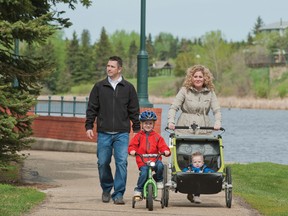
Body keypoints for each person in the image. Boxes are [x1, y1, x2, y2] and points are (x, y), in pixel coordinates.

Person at [85, 56, 140, 205]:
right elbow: (92, 108)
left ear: (119, 69)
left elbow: (134, 109)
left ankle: (118, 194)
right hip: (104, 132)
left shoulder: (128, 88)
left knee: (122, 163)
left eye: (112, 66)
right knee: (103, 162)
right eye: (107, 66)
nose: (109, 68)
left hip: (122, 133)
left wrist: (136, 128)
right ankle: (106, 188)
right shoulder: (99, 87)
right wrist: (89, 126)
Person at [167, 64, 221, 134]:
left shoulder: (210, 92)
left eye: (200, 77)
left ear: (205, 78)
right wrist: (171, 122)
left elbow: (216, 110)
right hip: (184, 130)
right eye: (195, 77)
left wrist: (217, 122)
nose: (198, 79)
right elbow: (173, 108)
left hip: (204, 131)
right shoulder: (184, 90)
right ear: (191, 78)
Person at [128, 110, 171, 198]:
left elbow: (163, 146)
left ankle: (159, 180)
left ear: (153, 124)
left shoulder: (157, 137)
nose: (148, 125)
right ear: (142, 124)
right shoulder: (138, 136)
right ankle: (138, 190)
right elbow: (132, 146)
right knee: (144, 173)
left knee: (160, 166)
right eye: (146, 123)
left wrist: (166, 151)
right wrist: (132, 151)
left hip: (155, 160)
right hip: (143, 161)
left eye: (150, 123)